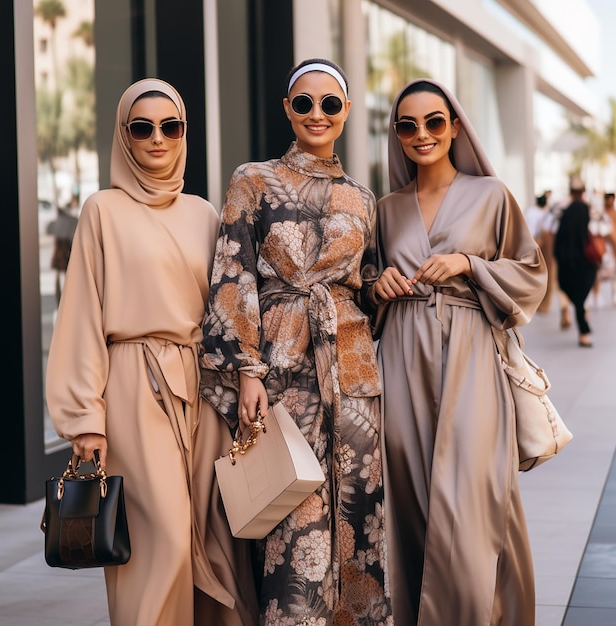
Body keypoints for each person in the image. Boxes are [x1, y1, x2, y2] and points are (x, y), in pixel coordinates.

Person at [45, 78, 257, 626]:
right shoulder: (102, 211)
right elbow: (82, 316)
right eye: (143, 128)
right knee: (160, 532)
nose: (158, 139)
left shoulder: (206, 214)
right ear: (124, 136)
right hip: (134, 390)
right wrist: (85, 419)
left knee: (209, 535)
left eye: (172, 126)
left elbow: (230, 310)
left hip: (204, 391)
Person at [199, 58, 392, 624]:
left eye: (329, 104)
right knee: (294, 523)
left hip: (354, 379)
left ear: (346, 113)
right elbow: (232, 275)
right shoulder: (252, 179)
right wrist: (247, 371)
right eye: (304, 102)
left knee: (360, 520)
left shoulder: (363, 196)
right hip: (284, 373)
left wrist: (392, 287)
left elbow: (367, 282)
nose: (316, 113)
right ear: (287, 108)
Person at [372, 78, 547, 625]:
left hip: (471, 357)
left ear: (454, 125)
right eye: (408, 124)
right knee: (411, 497)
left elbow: (531, 272)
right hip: (401, 358)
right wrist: (377, 285)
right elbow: (363, 286)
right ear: (397, 134)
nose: (421, 134)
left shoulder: (491, 194)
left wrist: (470, 265)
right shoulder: (385, 209)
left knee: (476, 497)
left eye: (434, 121)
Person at [554, 176, 599, 347]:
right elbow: (582, 234)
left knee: (573, 292)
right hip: (580, 260)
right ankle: (583, 330)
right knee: (581, 296)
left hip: (567, 260)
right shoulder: (582, 208)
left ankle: (582, 326)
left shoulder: (567, 210)